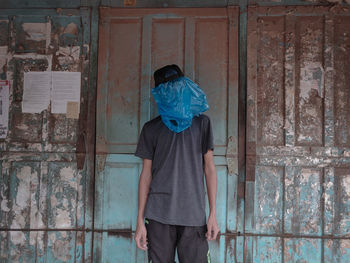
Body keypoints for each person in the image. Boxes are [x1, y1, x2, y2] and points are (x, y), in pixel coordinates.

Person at [134, 64, 219, 263]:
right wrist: (140, 220)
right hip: (158, 216)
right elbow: (146, 175)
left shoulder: (202, 124)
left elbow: (210, 169)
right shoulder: (151, 129)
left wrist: (213, 214)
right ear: (159, 94)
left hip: (193, 216)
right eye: (168, 89)